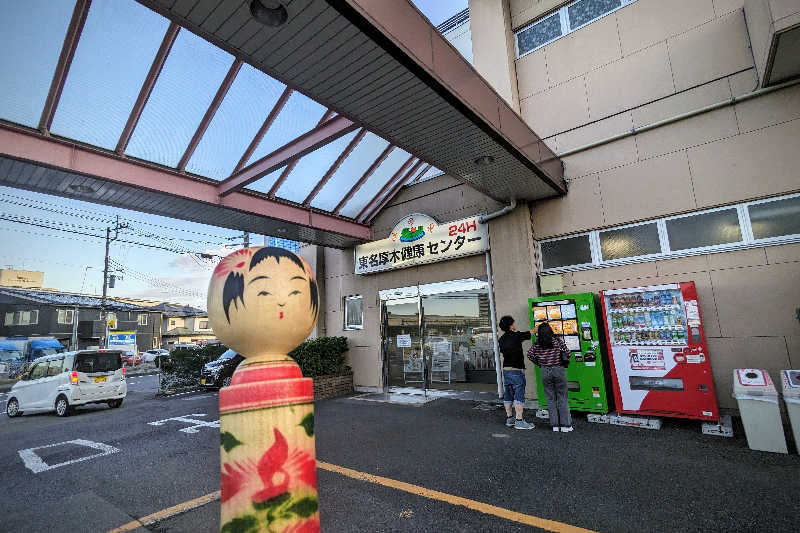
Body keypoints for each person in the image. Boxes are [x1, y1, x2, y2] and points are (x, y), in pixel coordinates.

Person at [528, 322, 572, 432]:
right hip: (558, 370)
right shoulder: (557, 341)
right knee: (562, 397)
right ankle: (566, 425)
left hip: (545, 371)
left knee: (550, 398)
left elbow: (529, 355)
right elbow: (568, 354)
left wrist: (539, 363)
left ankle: (555, 425)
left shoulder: (537, 344)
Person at [497, 315, 534, 430]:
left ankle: (510, 419)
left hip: (506, 369)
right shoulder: (517, 335)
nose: (514, 324)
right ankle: (519, 420)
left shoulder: (501, 339)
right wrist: (541, 325)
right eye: (513, 323)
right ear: (511, 325)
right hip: (517, 370)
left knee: (508, 393)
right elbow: (532, 332)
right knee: (519, 394)